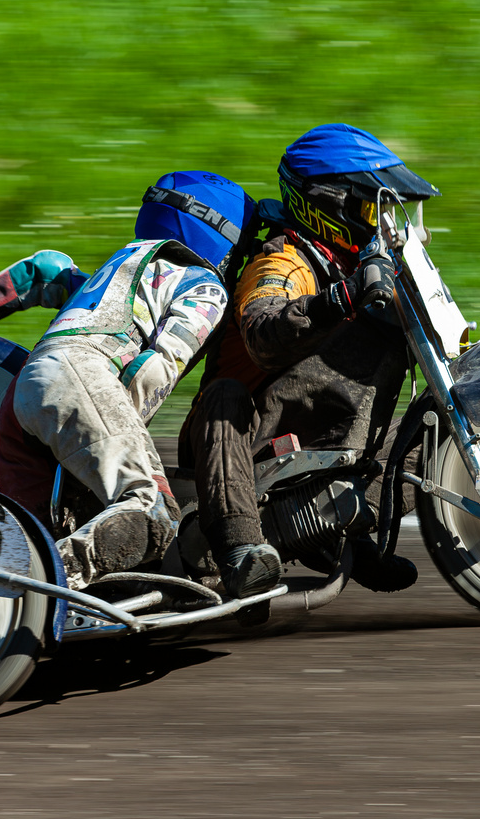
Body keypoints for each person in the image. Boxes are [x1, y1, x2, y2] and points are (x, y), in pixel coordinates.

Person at [0, 170, 256, 590]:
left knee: (34, 532)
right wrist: (122, 428)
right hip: (86, 379)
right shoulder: (206, 287)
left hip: (26, 393)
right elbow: (157, 367)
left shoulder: (121, 263)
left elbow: (45, 270)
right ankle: (28, 590)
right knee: (152, 514)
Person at [179, 124, 439, 602]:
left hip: (303, 438)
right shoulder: (282, 263)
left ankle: (342, 532)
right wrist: (344, 296)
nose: (387, 225)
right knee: (223, 395)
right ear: (330, 207)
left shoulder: (352, 266)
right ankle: (238, 548)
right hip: (236, 444)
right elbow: (262, 333)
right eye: (374, 210)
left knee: (428, 441)